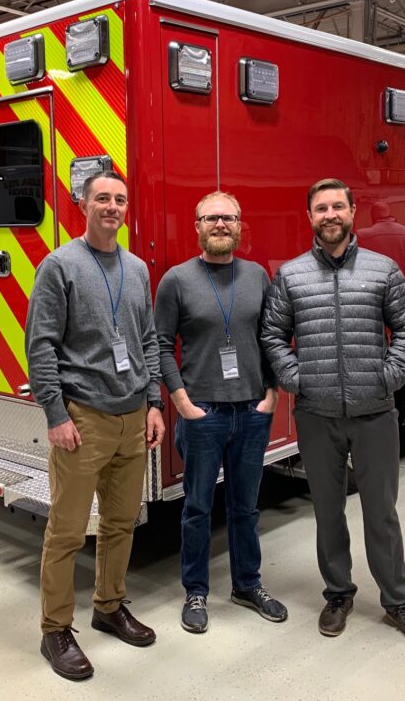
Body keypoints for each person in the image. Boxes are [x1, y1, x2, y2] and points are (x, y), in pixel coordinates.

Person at [261, 178, 405, 649]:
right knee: (327, 512)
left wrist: (389, 376)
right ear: (310, 217)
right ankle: (338, 595)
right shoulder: (292, 276)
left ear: (353, 212)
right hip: (316, 415)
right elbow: (273, 334)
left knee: (381, 513)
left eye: (338, 206)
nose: (330, 215)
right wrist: (295, 378)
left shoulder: (382, 270)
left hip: (374, 412)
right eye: (321, 208)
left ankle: (398, 601)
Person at [25, 171, 166, 681]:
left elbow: (147, 339)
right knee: (67, 531)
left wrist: (154, 403)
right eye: (102, 198)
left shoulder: (137, 268)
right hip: (83, 418)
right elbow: (40, 344)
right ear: (83, 205)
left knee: (121, 523)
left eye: (120, 200)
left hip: (133, 416)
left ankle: (109, 606)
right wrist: (56, 414)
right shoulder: (59, 266)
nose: (112, 207)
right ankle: (55, 630)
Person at [154, 191, 287, 634]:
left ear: (239, 225)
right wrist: (181, 402)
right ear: (197, 226)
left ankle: (247, 585)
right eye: (211, 218)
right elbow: (161, 345)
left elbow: (271, 338)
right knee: (196, 508)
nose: (220, 225)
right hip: (202, 413)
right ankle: (196, 591)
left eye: (228, 217)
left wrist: (271, 393)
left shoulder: (257, 277)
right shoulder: (176, 280)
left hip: (252, 410)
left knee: (245, 507)